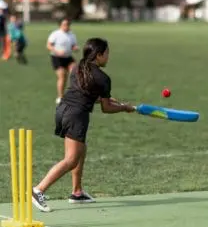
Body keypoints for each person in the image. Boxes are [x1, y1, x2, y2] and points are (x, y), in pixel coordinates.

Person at [32, 38, 136, 212]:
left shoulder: (77, 67)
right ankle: (38, 190)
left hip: (63, 110)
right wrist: (124, 108)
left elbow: (85, 94)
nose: (108, 57)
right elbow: (106, 108)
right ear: (99, 55)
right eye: (107, 53)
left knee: (81, 149)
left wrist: (109, 99)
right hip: (77, 115)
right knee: (71, 159)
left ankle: (77, 192)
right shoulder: (103, 78)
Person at [47, 18, 79, 105]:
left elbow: (73, 45)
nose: (67, 26)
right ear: (60, 25)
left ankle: (73, 95)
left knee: (75, 73)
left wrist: (75, 48)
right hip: (57, 58)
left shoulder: (72, 35)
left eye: (68, 24)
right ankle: (60, 97)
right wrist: (57, 51)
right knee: (62, 76)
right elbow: (49, 45)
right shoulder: (55, 34)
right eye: (64, 24)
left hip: (68, 57)